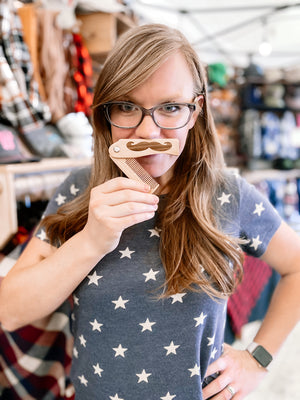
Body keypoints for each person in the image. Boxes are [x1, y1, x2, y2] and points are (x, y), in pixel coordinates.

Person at [0, 23, 299, 400]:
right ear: (105, 113)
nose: (148, 132)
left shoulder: (228, 194)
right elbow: (9, 311)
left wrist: (258, 357)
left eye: (170, 107)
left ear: (196, 111)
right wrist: (92, 239)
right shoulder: (79, 189)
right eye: (127, 107)